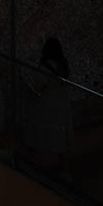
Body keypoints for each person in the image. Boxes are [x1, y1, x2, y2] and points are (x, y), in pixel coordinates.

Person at [31, 38, 74, 177]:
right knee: (63, 140)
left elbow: (38, 87)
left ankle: (42, 170)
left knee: (46, 137)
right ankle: (65, 172)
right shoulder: (64, 65)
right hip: (63, 105)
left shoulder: (45, 67)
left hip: (50, 106)